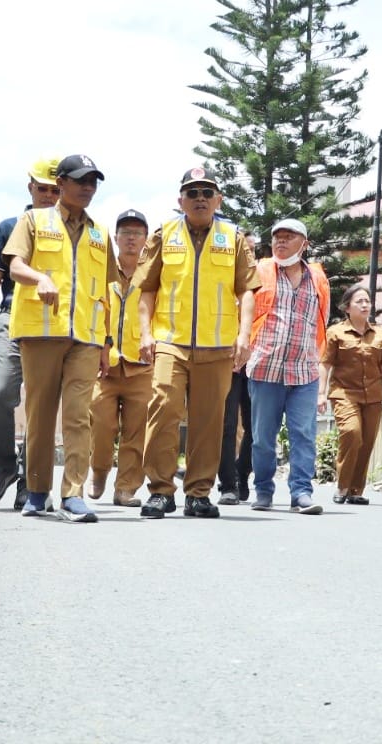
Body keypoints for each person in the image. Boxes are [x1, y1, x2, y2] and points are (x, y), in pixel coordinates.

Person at [135, 167, 258, 520]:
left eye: (207, 193)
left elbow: (246, 290)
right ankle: (160, 490)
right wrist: (145, 334)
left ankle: (199, 493)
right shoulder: (164, 234)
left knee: (209, 421)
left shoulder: (232, 237)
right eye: (193, 193)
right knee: (163, 409)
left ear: (218, 199)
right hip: (170, 341)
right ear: (181, 201)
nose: (200, 199)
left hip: (217, 344)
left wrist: (244, 336)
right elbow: (146, 288)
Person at [3, 154, 114, 523]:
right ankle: (36, 491)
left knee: (79, 415)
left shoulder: (100, 234)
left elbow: (106, 291)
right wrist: (40, 278)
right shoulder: (33, 220)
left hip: (86, 336)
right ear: (61, 182)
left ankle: (73, 494)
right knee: (40, 414)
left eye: (93, 182)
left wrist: (106, 342)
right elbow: (15, 266)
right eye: (80, 180)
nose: (87, 188)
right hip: (41, 331)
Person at [0, 157, 60, 510]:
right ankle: (3, 467)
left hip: (54, 325)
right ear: (30, 187)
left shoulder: (72, 232)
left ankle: (31, 479)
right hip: (12, 318)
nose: (49, 196)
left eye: (55, 190)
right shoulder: (9, 227)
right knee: (1, 392)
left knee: (41, 404)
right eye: (42, 188)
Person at [246, 218, 330, 514]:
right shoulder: (259, 271)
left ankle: (301, 493)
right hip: (265, 367)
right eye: (276, 237)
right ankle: (264, 491)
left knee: (304, 434)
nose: (280, 242)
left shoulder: (318, 278)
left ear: (304, 244)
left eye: (288, 237)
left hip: (304, 370)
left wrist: (317, 361)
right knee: (263, 438)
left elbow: (322, 322)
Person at [87, 209, 152, 508]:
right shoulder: (101, 268)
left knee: (135, 433)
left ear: (146, 239)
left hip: (142, 364)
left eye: (137, 233)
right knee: (101, 426)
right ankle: (99, 471)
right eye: (125, 232)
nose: (131, 238)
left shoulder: (154, 272)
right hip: (105, 364)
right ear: (116, 237)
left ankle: (126, 487)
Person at [319, 283, 382, 505]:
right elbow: (325, 364)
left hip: (373, 396)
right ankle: (342, 485)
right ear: (347, 307)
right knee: (352, 433)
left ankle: (356, 490)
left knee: (366, 441)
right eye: (359, 301)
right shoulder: (335, 332)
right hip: (344, 393)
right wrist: (321, 393)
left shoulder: (380, 335)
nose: (365, 305)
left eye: (367, 301)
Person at [215, 368, 253, 505]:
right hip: (230, 366)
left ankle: (242, 471)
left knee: (257, 428)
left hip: (258, 367)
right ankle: (228, 485)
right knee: (227, 425)